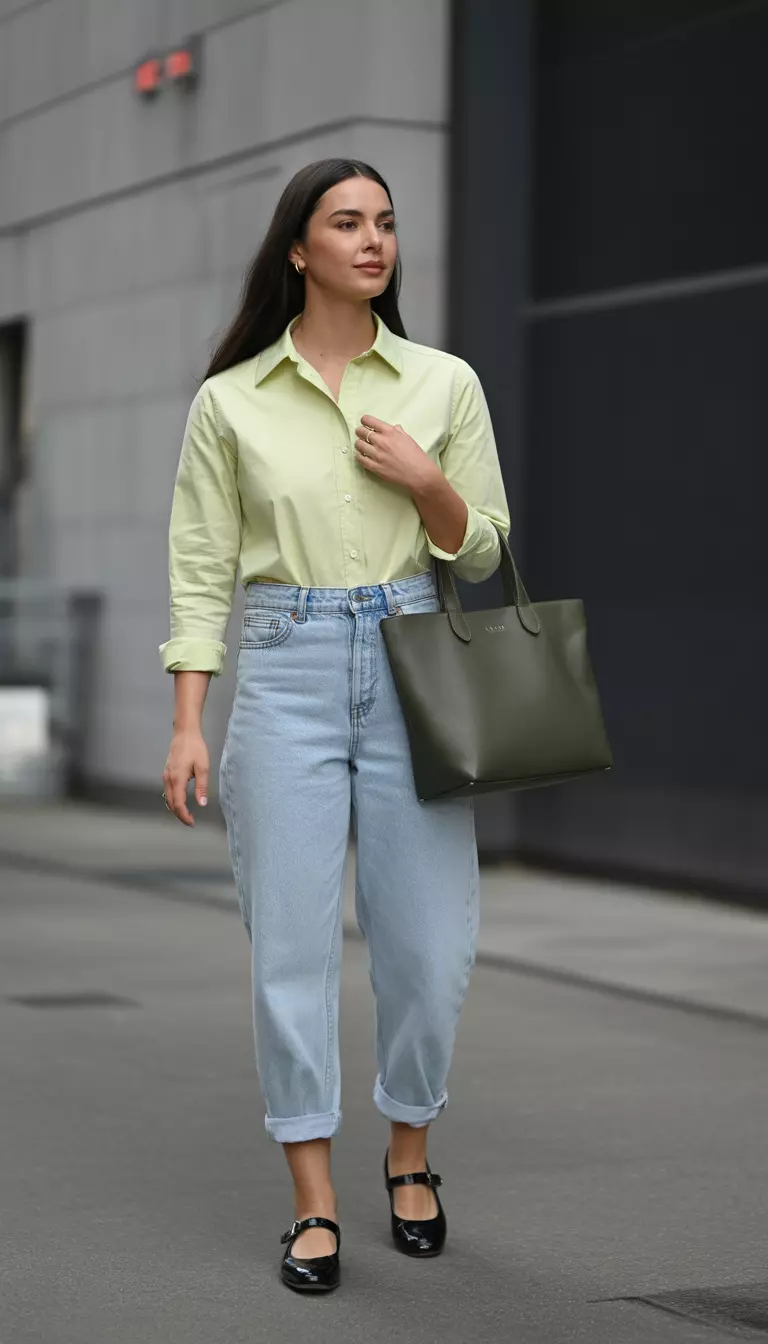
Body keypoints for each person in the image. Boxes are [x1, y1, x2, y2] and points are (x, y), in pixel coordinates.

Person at [159, 158, 511, 1293]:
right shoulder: (233, 402)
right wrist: (188, 722)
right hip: (286, 669)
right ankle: (314, 1200)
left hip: (414, 661)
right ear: (299, 250)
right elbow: (201, 564)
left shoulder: (442, 385)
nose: (373, 241)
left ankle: (410, 1153)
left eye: (387, 224)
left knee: (430, 947)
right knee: (291, 957)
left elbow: (488, 547)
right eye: (347, 223)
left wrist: (425, 483)